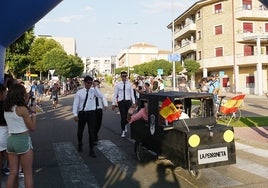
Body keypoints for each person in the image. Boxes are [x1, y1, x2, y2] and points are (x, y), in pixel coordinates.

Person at [4, 83, 37, 188]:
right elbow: (32, 127)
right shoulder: (22, 109)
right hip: (22, 140)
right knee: (28, 173)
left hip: (10, 140)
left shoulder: (6, 108)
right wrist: (34, 114)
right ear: (20, 94)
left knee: (13, 173)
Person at [72, 76, 104, 158]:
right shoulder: (79, 92)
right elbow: (75, 104)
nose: (89, 84)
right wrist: (75, 114)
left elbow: (100, 96)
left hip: (91, 113)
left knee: (92, 132)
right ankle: (80, 143)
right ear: (84, 83)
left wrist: (95, 86)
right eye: (88, 83)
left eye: (91, 82)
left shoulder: (93, 91)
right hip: (82, 113)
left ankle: (91, 149)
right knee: (80, 131)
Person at [112, 71, 136, 138]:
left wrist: (133, 102)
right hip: (121, 102)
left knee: (129, 116)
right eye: (123, 76)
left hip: (128, 102)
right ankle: (123, 131)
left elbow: (132, 94)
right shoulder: (118, 84)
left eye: (125, 76)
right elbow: (115, 95)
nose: (124, 77)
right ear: (121, 77)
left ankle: (125, 124)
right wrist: (113, 104)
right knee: (123, 117)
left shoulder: (129, 84)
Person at [93, 80, 108, 145]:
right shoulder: (91, 91)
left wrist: (105, 105)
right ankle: (94, 137)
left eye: (97, 84)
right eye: (95, 84)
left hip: (99, 109)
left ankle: (95, 134)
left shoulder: (99, 91)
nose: (96, 85)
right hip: (92, 110)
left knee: (98, 124)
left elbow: (102, 97)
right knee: (93, 124)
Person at [0, 84, 7, 187]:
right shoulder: (4, 105)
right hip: (3, 132)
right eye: (5, 92)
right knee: (8, 155)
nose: (6, 94)